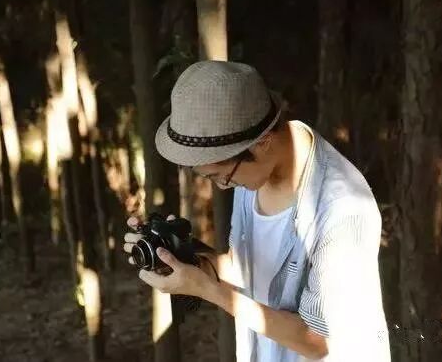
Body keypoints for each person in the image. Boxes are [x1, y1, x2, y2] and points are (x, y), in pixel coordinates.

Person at [123, 61, 391, 361]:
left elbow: (318, 340)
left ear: (262, 142)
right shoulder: (252, 169)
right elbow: (246, 267)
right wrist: (181, 258)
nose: (222, 186)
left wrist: (210, 291)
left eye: (221, 176)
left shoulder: (343, 208)